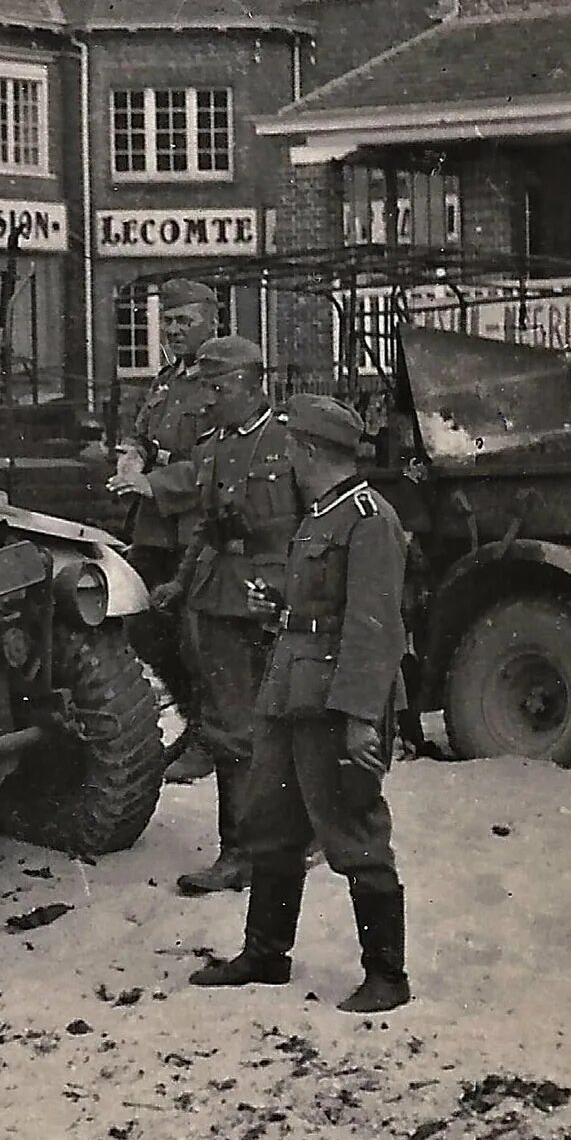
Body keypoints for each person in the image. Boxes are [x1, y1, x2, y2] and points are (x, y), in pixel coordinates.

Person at [190, 395, 413, 1014]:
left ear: (309, 452)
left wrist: (362, 719)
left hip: (332, 704)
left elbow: (375, 629)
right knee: (273, 824)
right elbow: (319, 609)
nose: (283, 459)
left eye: (289, 449)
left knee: (353, 830)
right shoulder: (320, 516)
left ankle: (387, 977)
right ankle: (266, 954)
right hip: (290, 693)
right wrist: (278, 613)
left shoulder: (368, 519)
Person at [171, 336, 299, 896]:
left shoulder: (291, 441)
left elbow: (317, 523)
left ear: (252, 385)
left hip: (277, 596)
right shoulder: (212, 444)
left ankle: (301, 835)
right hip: (220, 595)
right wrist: (179, 582)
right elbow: (205, 526)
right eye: (204, 388)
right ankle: (237, 852)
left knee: (293, 721)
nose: (207, 400)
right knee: (229, 728)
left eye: (218, 388)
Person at [108, 278, 222, 779]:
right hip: (156, 528)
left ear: (211, 322)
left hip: (198, 526)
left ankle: (210, 738)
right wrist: (131, 456)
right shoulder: (167, 379)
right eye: (169, 322)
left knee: (198, 636)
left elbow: (218, 464)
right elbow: (139, 432)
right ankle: (195, 721)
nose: (173, 332)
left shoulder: (223, 380)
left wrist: (152, 483)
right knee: (143, 623)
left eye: (184, 322)